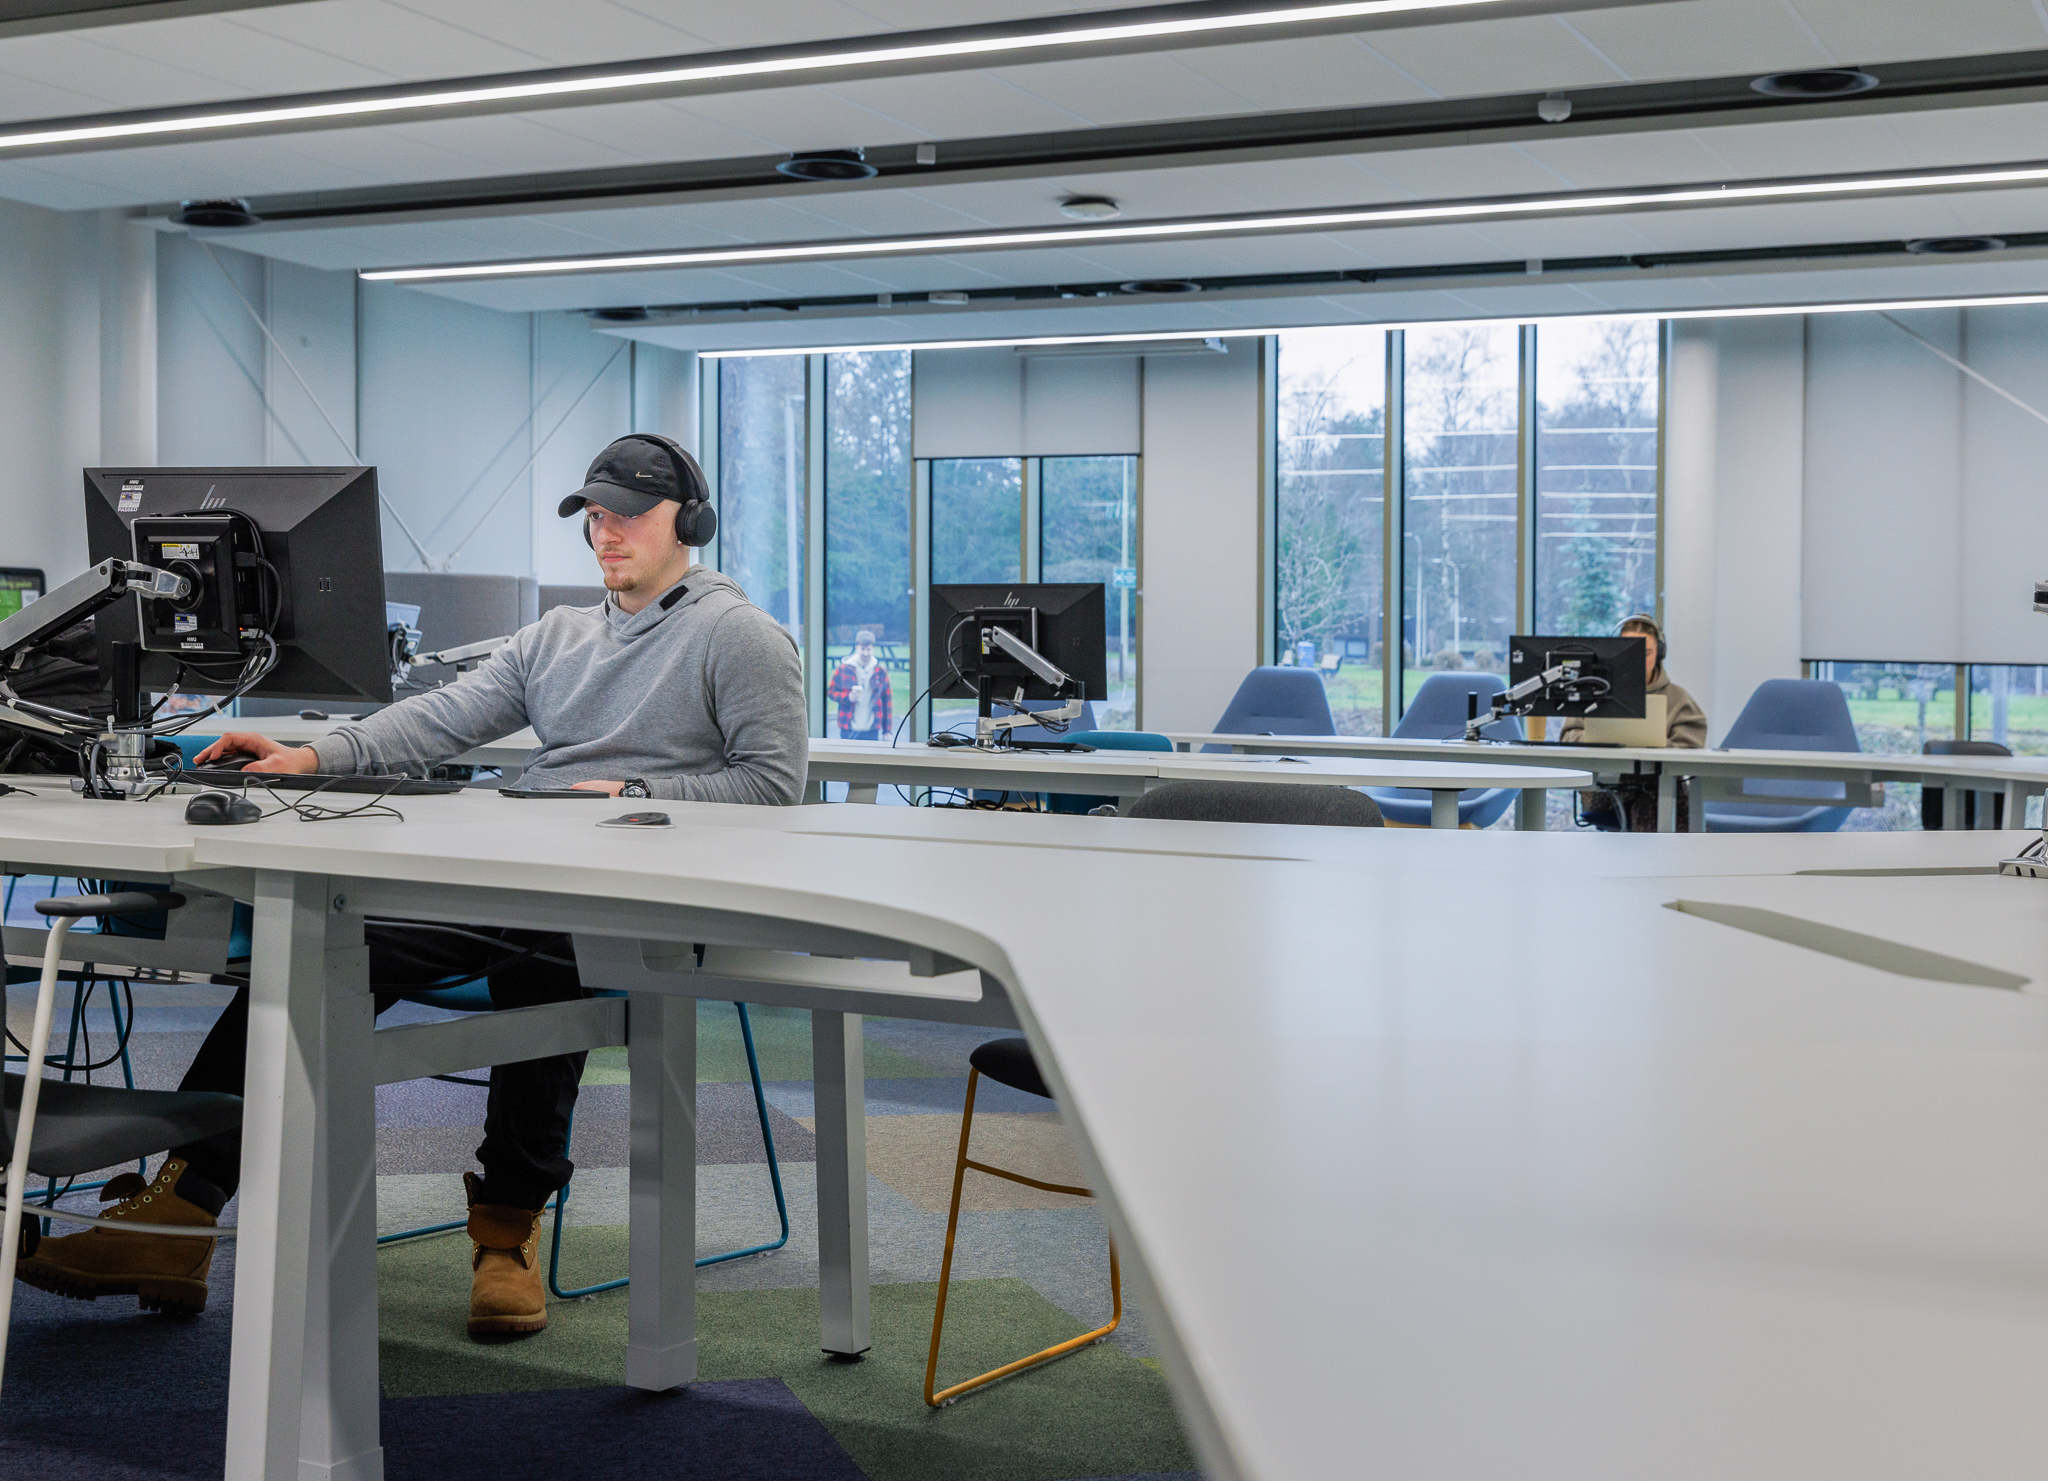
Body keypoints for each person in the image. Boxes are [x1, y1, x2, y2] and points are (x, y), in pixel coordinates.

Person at [14, 434, 807, 1338]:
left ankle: (506, 1231)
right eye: (594, 515)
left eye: (628, 514)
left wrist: (632, 792)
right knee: (322, 933)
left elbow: (772, 788)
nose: (606, 531)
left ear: (690, 522)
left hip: (641, 895)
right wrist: (307, 755)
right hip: (526, 876)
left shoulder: (739, 635)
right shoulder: (558, 637)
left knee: (546, 955)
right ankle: (182, 1208)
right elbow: (435, 720)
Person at [1562, 614, 1707, 831]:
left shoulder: (1677, 698)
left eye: (1646, 652)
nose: (1638, 660)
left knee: (1653, 793)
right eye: (1629, 653)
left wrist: (1658, 747)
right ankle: (1673, 859)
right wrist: (1597, 739)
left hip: (1657, 786)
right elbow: (1568, 736)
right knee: (1654, 798)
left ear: (1659, 652)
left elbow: (1691, 747)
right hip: (1603, 788)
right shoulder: (1594, 693)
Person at [827, 629, 891, 740]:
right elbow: (831, 692)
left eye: (869, 649)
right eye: (863, 649)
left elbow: (887, 701)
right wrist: (847, 697)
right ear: (857, 647)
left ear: (873, 649)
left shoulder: (880, 671)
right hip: (848, 727)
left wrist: (887, 731)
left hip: (871, 728)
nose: (865, 653)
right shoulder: (843, 669)